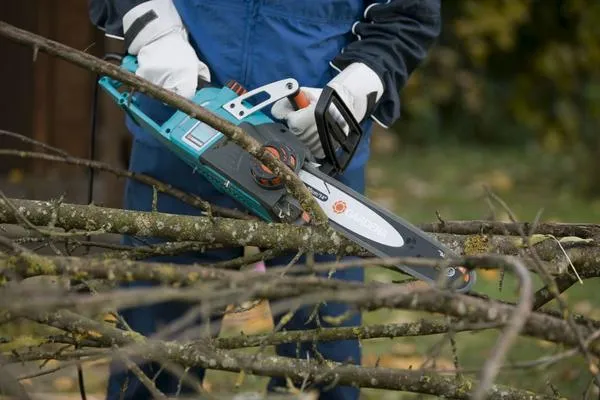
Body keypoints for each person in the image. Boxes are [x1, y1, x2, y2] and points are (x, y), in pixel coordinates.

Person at [87, 1, 441, 399]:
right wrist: (153, 28)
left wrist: (354, 88)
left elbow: (407, 14)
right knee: (153, 365)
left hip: (314, 154)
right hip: (180, 125)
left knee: (324, 367)